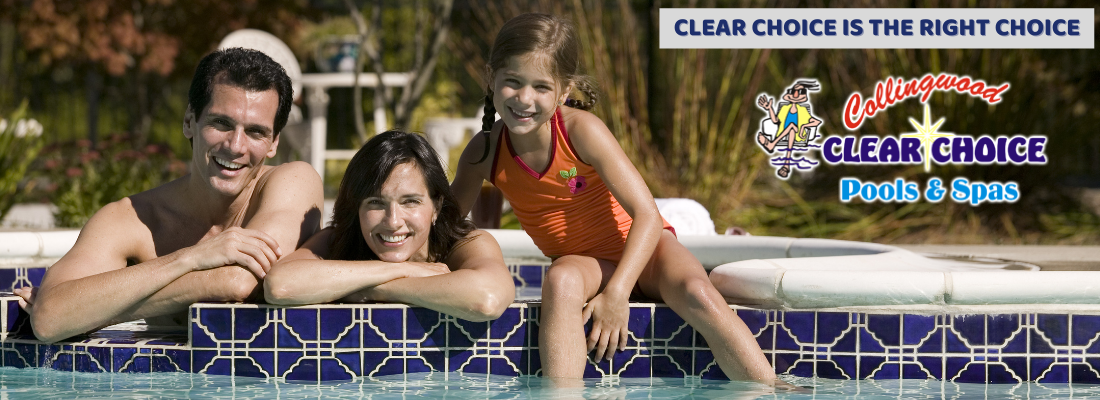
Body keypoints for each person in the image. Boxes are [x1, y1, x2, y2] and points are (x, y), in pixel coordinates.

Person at [450, 13, 779, 384]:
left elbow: (648, 215)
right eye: (512, 82)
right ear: (492, 78)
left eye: (541, 87)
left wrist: (619, 293)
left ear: (563, 91)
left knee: (699, 292)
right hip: (588, 267)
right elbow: (446, 228)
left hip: (646, 253)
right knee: (561, 281)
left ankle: (771, 389)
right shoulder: (484, 153)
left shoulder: (582, 132)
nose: (525, 98)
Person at [16, 48, 325, 343]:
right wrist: (189, 258)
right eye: (221, 123)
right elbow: (48, 319)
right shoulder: (129, 220)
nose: (236, 146)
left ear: (273, 143)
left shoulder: (293, 180)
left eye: (256, 131)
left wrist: (96, 310)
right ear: (190, 122)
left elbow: (238, 282)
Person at [264, 130, 515, 321]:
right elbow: (280, 285)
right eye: (375, 203)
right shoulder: (341, 239)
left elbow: (487, 299)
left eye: (410, 202)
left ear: (436, 207)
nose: (393, 221)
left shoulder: (463, 243)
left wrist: (374, 289)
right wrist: (408, 271)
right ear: (357, 207)